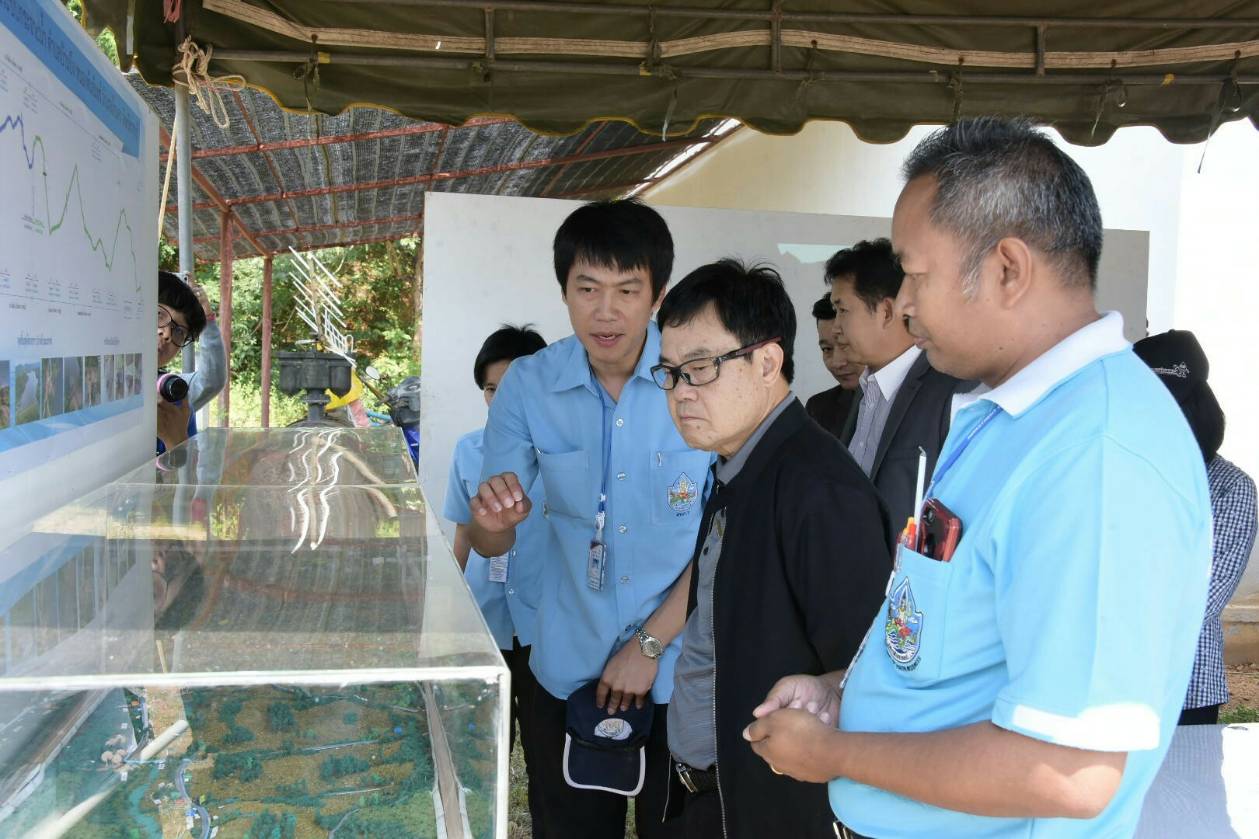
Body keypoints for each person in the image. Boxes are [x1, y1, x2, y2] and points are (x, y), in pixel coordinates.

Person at [744, 117, 1212, 839]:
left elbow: (1068, 771)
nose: (902, 302)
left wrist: (834, 753)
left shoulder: (1094, 454)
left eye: (915, 273)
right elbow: (958, 642)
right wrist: (845, 693)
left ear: (1007, 270)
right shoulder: (1008, 414)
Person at [468, 199, 712, 839]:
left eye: (627, 290)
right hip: (568, 661)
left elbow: (727, 532)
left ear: (657, 294)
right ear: (564, 291)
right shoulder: (528, 384)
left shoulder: (697, 378)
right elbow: (494, 536)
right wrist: (494, 519)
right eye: (588, 289)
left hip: (683, 666)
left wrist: (649, 645)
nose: (606, 312)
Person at [653, 260, 891, 838]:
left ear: (766, 362)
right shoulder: (737, 467)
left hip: (775, 809)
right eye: (670, 373)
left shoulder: (819, 490)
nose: (681, 392)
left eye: (700, 368)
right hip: (710, 800)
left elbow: (867, 675)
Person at [443, 323, 550, 831]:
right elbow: (463, 533)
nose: (499, 401)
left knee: (548, 753)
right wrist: (449, 612)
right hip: (485, 623)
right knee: (482, 752)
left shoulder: (566, 454)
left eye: (511, 389)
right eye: (490, 390)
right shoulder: (468, 450)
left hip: (546, 626)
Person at [1135, 329, 1257, 726]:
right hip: (1090, 687)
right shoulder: (1116, 472)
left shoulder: (1230, 489)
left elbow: (1199, 600)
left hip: (1184, 688)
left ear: (1198, 415)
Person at [828, 238, 968, 528]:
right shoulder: (865, 390)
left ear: (887, 312)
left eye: (843, 310)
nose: (836, 328)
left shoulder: (949, 389)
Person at [156, 270, 226, 453]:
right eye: (158, 315)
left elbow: (211, 380)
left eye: (179, 331)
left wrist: (176, 442)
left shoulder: (174, 398)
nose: (167, 334)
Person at [804, 293, 862, 438]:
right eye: (827, 349)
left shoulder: (909, 401)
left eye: (845, 345)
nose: (836, 363)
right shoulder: (818, 409)